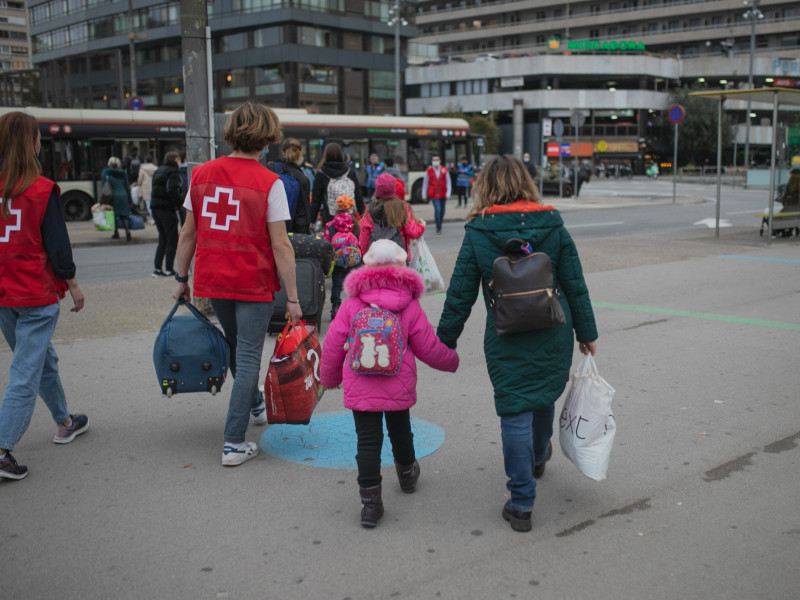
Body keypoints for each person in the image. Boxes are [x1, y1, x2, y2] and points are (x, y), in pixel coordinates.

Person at [435, 155, 598, 533]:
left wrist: (445, 342)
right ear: (525, 182)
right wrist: (586, 334)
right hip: (553, 331)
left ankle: (522, 502)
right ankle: (539, 454)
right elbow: (574, 284)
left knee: (514, 411)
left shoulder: (478, 231)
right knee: (542, 397)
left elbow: (460, 294)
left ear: (486, 186)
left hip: (505, 336)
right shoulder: (553, 224)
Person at [172, 101, 302, 468]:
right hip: (253, 281)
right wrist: (293, 298)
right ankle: (233, 441)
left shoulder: (201, 175)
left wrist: (181, 279)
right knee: (247, 356)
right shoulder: (269, 182)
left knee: (235, 346)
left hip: (214, 279)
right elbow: (281, 245)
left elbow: (186, 234)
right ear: (267, 137)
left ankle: (254, 402)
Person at [320, 239, 459, 527]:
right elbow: (429, 347)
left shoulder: (351, 305)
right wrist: (452, 361)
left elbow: (333, 345)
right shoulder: (409, 306)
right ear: (401, 267)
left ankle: (370, 504)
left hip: (360, 384)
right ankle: (407, 475)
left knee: (368, 441)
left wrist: (330, 378)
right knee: (401, 430)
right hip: (398, 383)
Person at [0, 111, 88, 481]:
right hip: (34, 293)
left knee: (39, 360)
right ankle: (3, 449)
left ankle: (64, 421)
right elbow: (58, 248)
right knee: (25, 370)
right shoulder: (42, 189)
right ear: (32, 143)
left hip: (3, 294)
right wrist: (72, 284)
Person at [358, 173, 425, 258]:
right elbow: (412, 232)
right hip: (399, 259)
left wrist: (366, 256)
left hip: (377, 259)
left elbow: (364, 240)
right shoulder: (402, 207)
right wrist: (421, 225)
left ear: (377, 190)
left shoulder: (370, 210)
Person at [309, 143, 365, 229]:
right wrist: (363, 215)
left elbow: (316, 200)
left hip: (330, 219)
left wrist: (311, 220)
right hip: (349, 218)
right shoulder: (349, 172)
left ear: (325, 155)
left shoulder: (321, 173)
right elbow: (358, 196)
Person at [323, 194, 360, 319]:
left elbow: (327, 243)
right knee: (354, 281)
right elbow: (359, 240)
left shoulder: (330, 224)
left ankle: (335, 304)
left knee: (337, 282)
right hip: (353, 259)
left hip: (337, 259)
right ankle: (356, 304)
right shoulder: (354, 223)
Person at [266, 137, 310, 234]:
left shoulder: (271, 168)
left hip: (269, 227)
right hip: (290, 231)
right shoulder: (302, 179)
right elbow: (302, 214)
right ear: (299, 154)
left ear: (283, 152)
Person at [150, 151, 183, 277]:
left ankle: (157, 268)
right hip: (167, 208)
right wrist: (180, 201)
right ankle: (169, 268)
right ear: (176, 160)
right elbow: (172, 190)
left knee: (162, 238)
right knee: (172, 238)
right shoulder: (173, 172)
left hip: (155, 208)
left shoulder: (158, 171)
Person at [101, 156, 133, 241]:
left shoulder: (106, 173)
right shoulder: (123, 173)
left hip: (112, 196)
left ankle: (116, 233)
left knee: (113, 215)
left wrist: (102, 201)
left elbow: (103, 188)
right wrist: (130, 200)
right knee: (124, 215)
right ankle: (127, 232)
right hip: (124, 195)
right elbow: (127, 187)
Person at [421, 154, 451, 234]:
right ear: (432, 161)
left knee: (442, 211)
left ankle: (439, 222)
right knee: (438, 209)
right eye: (434, 160)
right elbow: (425, 183)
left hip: (443, 194)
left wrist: (448, 194)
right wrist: (424, 195)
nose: (435, 161)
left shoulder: (445, 170)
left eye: (437, 160)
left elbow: (448, 183)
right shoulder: (428, 171)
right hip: (433, 194)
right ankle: (438, 227)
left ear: (440, 161)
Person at [137, 154, 157, 224]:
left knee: (148, 204)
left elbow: (140, 179)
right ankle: (155, 217)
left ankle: (153, 218)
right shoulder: (156, 168)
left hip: (145, 187)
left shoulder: (142, 168)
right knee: (154, 204)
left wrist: (138, 184)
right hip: (154, 187)